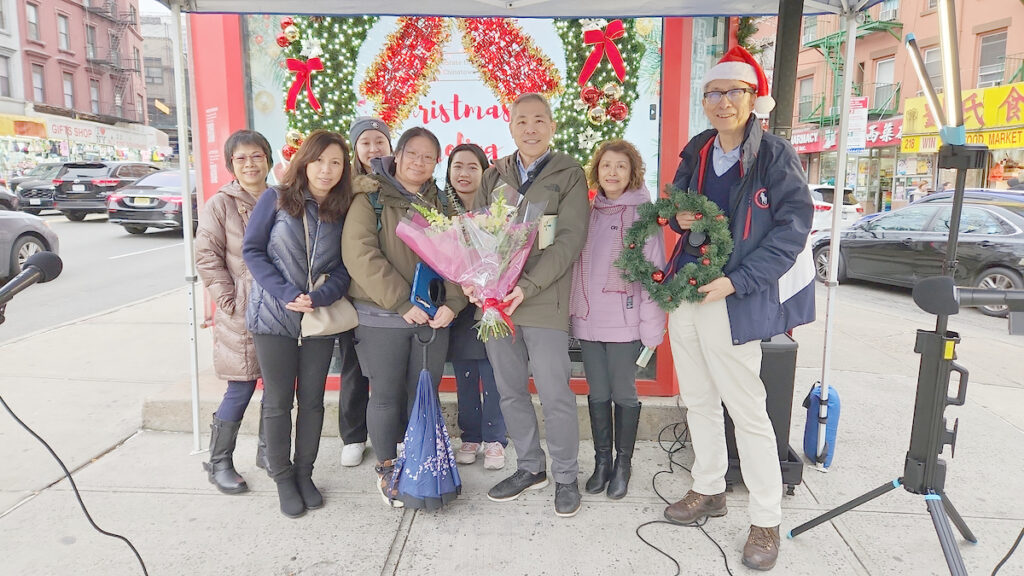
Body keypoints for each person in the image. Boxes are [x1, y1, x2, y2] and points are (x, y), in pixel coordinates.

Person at [660, 46, 814, 571]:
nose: (723, 102)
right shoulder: (698, 149)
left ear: (754, 99)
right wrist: (678, 218)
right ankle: (709, 488)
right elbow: (675, 202)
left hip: (735, 297)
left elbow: (792, 232)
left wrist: (738, 280)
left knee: (748, 409)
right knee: (698, 399)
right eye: (714, 93)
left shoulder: (775, 155)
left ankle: (766, 518)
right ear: (704, 101)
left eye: (734, 92)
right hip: (687, 291)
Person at [470, 93, 589, 518]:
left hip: (544, 299)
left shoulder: (569, 173)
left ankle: (566, 475)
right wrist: (478, 283)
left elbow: (571, 239)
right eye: (522, 121)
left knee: (556, 392)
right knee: (509, 390)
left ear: (552, 126)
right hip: (498, 303)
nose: (531, 128)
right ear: (511, 127)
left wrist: (531, 284)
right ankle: (529, 467)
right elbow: (480, 235)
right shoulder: (494, 174)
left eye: (539, 120)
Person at [342, 126, 468, 507]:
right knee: (385, 396)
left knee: (421, 395)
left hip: (432, 321)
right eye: (413, 154)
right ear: (397, 155)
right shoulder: (372, 198)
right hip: (382, 317)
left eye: (429, 157)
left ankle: (419, 464)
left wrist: (455, 301)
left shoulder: (443, 203)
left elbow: (461, 255)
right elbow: (360, 255)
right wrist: (401, 302)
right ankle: (386, 467)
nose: (420, 162)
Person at [242, 130, 353, 518]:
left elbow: (344, 268)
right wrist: (284, 292)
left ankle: (305, 473)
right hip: (273, 317)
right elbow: (252, 250)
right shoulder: (275, 199)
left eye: (336, 162)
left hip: (318, 319)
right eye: (320, 160)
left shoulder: (343, 209)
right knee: (277, 401)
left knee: (312, 401)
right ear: (305, 162)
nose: (327, 170)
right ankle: (283, 477)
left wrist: (319, 297)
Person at [570, 139, 665, 500]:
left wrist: (651, 328)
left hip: (626, 324)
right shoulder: (588, 213)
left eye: (621, 166)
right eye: (606, 165)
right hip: (590, 320)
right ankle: (602, 463)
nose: (613, 172)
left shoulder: (643, 217)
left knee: (623, 393)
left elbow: (654, 274)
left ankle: (623, 466)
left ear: (633, 173)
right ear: (597, 171)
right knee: (597, 393)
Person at [195, 129, 274, 495]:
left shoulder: (282, 198)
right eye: (241, 158)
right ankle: (219, 460)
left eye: (256, 156)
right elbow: (207, 256)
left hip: (279, 307)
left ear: (268, 159)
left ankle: (268, 452)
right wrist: (228, 300)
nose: (250, 164)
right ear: (231, 165)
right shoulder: (220, 204)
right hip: (241, 310)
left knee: (276, 388)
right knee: (240, 387)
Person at [444, 143, 508, 471]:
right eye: (458, 166)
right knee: (465, 373)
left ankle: (496, 437)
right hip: (456, 304)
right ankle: (470, 434)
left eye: (473, 166)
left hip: (492, 300)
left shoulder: (498, 209)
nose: (464, 173)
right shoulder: (440, 209)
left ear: (484, 171)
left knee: (493, 371)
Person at [336, 117, 394, 468]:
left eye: (380, 141)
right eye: (366, 142)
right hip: (347, 286)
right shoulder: (341, 185)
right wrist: (352, 190)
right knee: (353, 365)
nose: (374, 148)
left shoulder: (397, 179)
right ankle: (353, 434)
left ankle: (391, 433)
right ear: (354, 149)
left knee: (388, 372)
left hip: (385, 287)